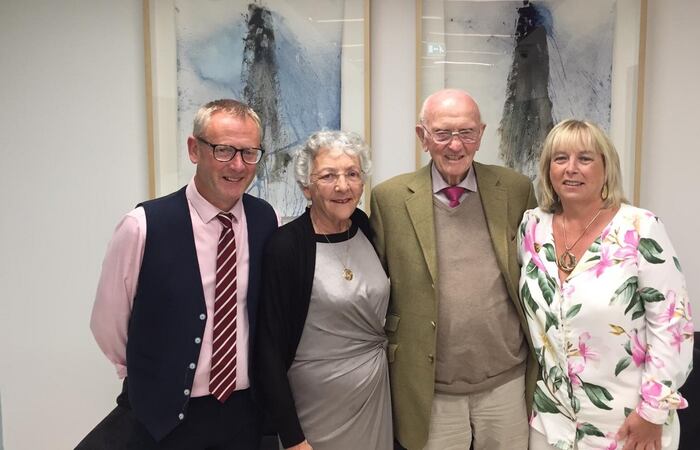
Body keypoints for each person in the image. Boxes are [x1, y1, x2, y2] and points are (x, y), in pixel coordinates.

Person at [89, 99, 279, 448]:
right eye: (224, 150)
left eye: (249, 153)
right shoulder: (142, 226)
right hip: (166, 420)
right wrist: (150, 377)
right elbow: (108, 324)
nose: (238, 165)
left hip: (243, 415)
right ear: (194, 149)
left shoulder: (267, 220)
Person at [370, 89, 537, 450]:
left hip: (505, 384)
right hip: (430, 389)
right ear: (423, 137)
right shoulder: (389, 199)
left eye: (467, 133)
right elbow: (376, 291)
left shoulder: (515, 190)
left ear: (481, 134)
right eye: (443, 133)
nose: (455, 145)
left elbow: (537, 275)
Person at [518, 119, 693, 450]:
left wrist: (653, 414)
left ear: (605, 167)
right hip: (550, 421)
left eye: (585, 158)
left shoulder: (641, 228)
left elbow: (672, 326)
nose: (571, 169)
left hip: (629, 424)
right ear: (548, 169)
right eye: (560, 159)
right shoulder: (532, 228)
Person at [255, 131, 392, 450]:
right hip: (315, 410)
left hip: (373, 399)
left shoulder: (364, 226)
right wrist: (292, 438)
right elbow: (268, 350)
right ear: (307, 186)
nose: (343, 186)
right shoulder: (286, 247)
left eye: (352, 174)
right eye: (328, 175)